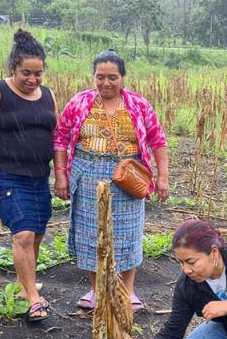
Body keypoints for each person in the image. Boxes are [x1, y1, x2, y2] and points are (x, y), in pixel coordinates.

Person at [53, 50, 169, 311]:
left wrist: (163, 177)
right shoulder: (79, 102)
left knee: (128, 233)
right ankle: (97, 290)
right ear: (93, 77)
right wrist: (60, 174)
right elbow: (60, 137)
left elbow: (157, 140)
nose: (106, 83)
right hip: (87, 175)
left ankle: (127, 292)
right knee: (90, 234)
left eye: (112, 77)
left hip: (127, 178)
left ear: (123, 77)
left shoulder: (138, 104)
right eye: (100, 77)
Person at [0, 29, 57, 322]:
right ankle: (34, 298)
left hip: (38, 176)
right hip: (6, 174)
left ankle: (23, 286)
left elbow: (56, 137)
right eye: (25, 73)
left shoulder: (48, 95)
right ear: (12, 69)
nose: (32, 80)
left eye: (38, 73)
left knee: (37, 233)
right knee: (23, 233)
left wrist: (61, 174)